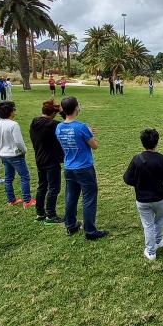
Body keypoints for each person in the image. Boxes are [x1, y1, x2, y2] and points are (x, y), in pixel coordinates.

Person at [56, 96, 108, 240]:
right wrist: (90, 135)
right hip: (84, 167)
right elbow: (94, 146)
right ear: (76, 108)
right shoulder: (81, 127)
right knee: (89, 197)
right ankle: (90, 231)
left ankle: (71, 225)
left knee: (71, 197)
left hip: (69, 167)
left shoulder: (59, 127)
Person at [123, 128, 163, 261]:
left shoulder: (136, 160)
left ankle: (153, 249)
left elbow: (127, 178)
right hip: (159, 197)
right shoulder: (161, 159)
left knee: (148, 224)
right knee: (160, 218)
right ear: (156, 143)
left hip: (142, 199)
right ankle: (155, 245)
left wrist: (139, 183)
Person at [29, 100, 66, 224]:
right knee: (54, 188)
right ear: (54, 113)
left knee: (42, 187)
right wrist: (61, 110)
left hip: (39, 159)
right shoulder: (53, 125)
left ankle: (40, 213)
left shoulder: (35, 122)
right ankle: (51, 215)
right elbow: (68, 121)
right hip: (51, 160)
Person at [0, 101, 36, 208]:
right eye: (14, 109)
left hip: (4, 155)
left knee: (8, 178)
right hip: (15, 155)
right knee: (25, 176)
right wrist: (23, 150)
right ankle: (27, 200)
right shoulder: (13, 125)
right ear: (10, 112)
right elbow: (18, 142)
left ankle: (11, 200)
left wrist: (2, 148)